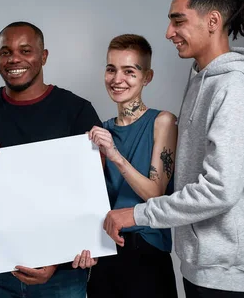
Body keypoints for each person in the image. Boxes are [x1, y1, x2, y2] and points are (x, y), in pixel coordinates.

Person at [104, 0, 244, 297]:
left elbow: (219, 190)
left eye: (178, 21)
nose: (169, 33)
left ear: (212, 20)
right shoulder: (202, 80)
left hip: (223, 270)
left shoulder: (234, 88)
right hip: (199, 262)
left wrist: (137, 214)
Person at [0, 21, 102, 298]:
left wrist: (56, 260)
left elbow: (91, 192)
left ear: (44, 56)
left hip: (61, 273)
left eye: (25, 50)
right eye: (5, 52)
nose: (14, 59)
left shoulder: (76, 111)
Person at [73, 34, 178, 297]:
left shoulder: (162, 121)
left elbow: (155, 193)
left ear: (147, 77)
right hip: (106, 253)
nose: (117, 79)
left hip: (146, 253)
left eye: (129, 71)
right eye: (111, 69)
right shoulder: (99, 131)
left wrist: (115, 155)